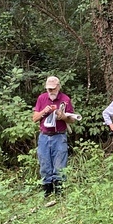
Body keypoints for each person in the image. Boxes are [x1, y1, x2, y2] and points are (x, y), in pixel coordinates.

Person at [33, 76, 78, 205]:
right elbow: (34, 118)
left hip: (59, 136)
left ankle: (59, 194)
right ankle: (47, 193)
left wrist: (63, 116)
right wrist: (44, 112)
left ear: (58, 87)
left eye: (53, 89)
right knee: (45, 164)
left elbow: (72, 119)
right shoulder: (42, 98)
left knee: (60, 165)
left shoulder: (65, 99)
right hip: (44, 136)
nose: (50, 91)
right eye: (48, 89)